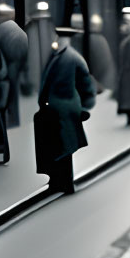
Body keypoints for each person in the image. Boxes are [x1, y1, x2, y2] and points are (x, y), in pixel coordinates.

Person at [34, 26, 96, 194]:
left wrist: (84, 107)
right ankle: (60, 181)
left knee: (61, 146)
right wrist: (85, 106)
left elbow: (85, 85)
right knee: (60, 146)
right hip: (62, 109)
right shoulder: (71, 57)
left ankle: (63, 183)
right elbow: (86, 85)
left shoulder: (63, 57)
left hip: (62, 109)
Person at [0, 3, 28, 128]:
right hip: (19, 52)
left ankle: (12, 118)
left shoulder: (2, 29)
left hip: (13, 55)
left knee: (12, 87)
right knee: (15, 85)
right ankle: (14, 117)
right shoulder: (12, 27)